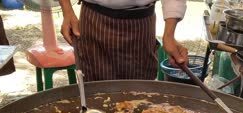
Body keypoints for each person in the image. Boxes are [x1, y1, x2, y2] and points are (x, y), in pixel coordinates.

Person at [58, 0, 189, 81]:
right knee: (94, 96)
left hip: (141, 24)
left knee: (141, 95)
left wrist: (169, 35)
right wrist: (67, 10)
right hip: (94, 19)